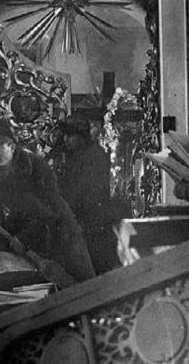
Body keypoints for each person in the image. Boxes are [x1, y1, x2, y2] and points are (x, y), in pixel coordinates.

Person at [0, 119, 95, 284]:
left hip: (60, 237)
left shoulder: (35, 167)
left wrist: (23, 239)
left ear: (12, 146)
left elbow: (50, 210)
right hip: (22, 246)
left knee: (76, 289)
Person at [58, 116, 125, 274]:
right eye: (65, 135)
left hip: (94, 224)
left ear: (81, 136)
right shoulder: (77, 155)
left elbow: (83, 191)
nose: (66, 140)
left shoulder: (94, 156)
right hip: (85, 222)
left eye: (70, 135)